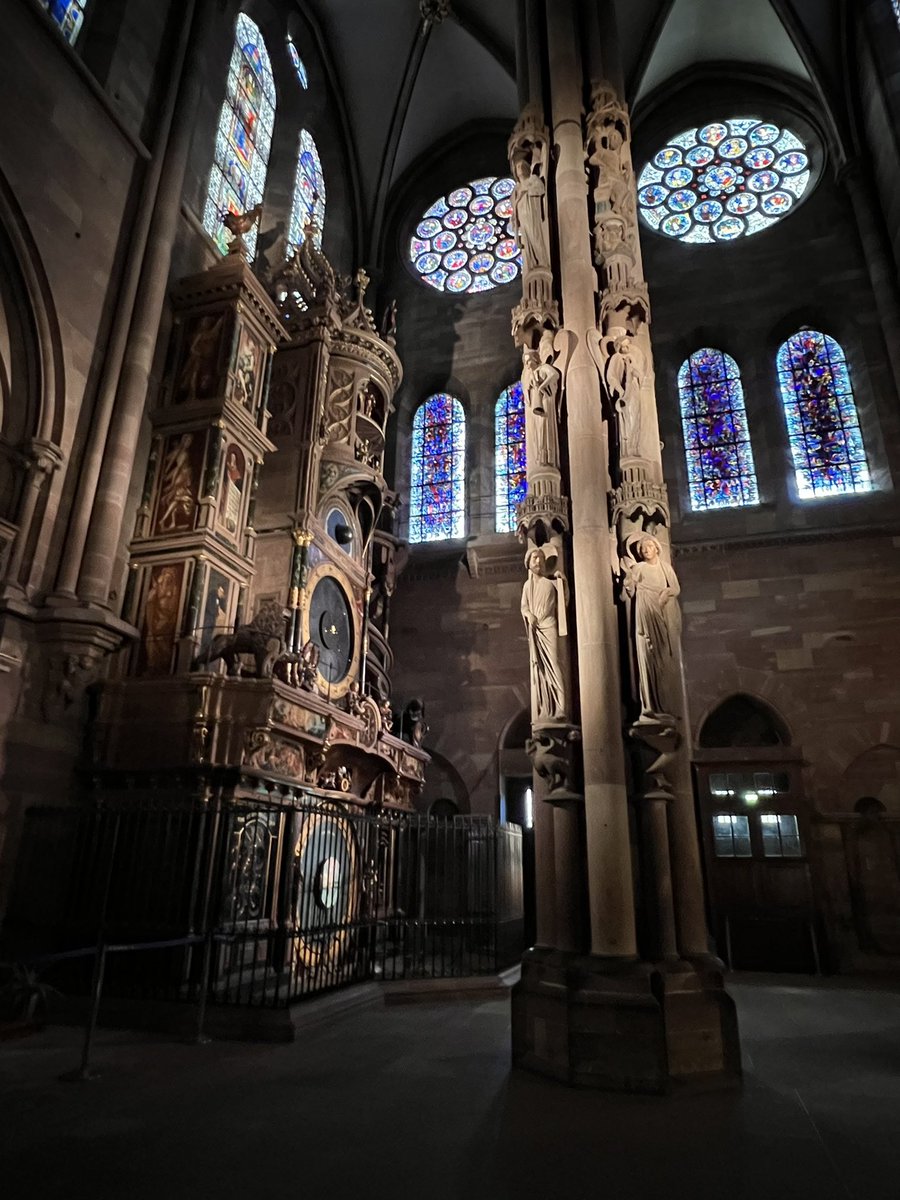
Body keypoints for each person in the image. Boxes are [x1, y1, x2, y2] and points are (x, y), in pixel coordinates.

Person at [622, 535, 681, 720]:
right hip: (644, 610)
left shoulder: (665, 567)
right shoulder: (638, 568)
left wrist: (665, 593)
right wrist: (628, 580)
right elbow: (628, 593)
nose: (646, 550)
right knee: (647, 653)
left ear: (656, 548)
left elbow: (676, 589)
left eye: (649, 546)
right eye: (642, 548)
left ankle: (665, 704)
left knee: (662, 655)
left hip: (661, 611)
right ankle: (649, 704)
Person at [521, 547, 567, 722]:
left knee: (554, 664)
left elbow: (564, 602)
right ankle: (546, 708)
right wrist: (529, 615)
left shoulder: (551, 583)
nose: (538, 561)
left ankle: (561, 706)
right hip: (536, 628)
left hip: (548, 626)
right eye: (534, 558)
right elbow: (524, 607)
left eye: (541, 558)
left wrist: (563, 583)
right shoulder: (528, 586)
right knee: (540, 668)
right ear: (529, 563)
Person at [512, 157, 551, 272]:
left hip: (531, 212)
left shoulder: (533, 179)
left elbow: (541, 189)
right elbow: (514, 208)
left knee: (535, 236)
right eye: (517, 167)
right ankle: (532, 264)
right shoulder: (516, 189)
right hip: (521, 215)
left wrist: (527, 191)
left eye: (521, 166)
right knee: (527, 240)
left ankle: (543, 262)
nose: (519, 169)